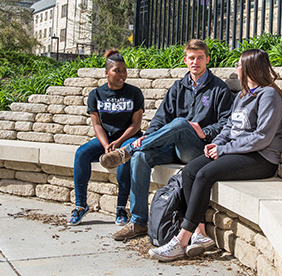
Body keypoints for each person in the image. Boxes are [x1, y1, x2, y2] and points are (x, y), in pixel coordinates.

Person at [148, 49, 282, 261]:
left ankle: (181, 239)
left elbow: (262, 138)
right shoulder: (243, 95)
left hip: (261, 158)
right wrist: (216, 143)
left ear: (250, 67)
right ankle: (201, 233)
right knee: (190, 171)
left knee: (205, 175)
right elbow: (229, 127)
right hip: (235, 150)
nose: (237, 69)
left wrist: (223, 150)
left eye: (240, 65)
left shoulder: (269, 95)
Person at [99, 39, 234, 241]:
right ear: (185, 60)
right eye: (191, 58)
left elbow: (226, 123)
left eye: (199, 58)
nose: (195, 62)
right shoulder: (178, 87)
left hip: (198, 150)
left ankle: (127, 150)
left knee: (181, 123)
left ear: (207, 59)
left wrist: (204, 131)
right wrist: (146, 137)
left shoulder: (219, 89)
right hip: (172, 147)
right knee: (140, 157)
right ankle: (138, 221)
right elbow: (161, 118)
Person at [67, 50, 144, 226]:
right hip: (106, 140)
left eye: (124, 70)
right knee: (81, 154)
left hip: (128, 138)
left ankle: (120, 208)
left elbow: (136, 125)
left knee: (123, 156)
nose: (122, 74)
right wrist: (106, 144)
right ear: (106, 72)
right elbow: (97, 125)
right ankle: (80, 206)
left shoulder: (134, 93)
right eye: (117, 70)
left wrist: (117, 143)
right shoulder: (96, 95)